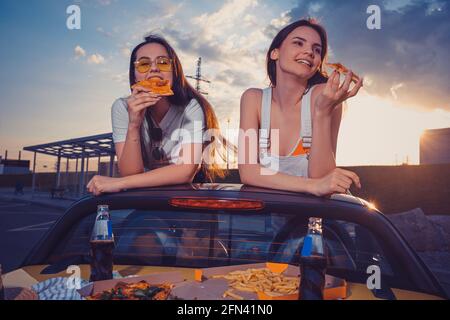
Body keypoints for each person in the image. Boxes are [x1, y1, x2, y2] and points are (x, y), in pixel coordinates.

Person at [87, 35, 229, 196]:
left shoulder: (192, 107)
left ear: (174, 72)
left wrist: (118, 183)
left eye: (162, 62)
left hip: (189, 196)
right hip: (147, 198)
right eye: (144, 64)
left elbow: (185, 171)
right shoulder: (122, 107)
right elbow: (131, 173)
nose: (154, 68)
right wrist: (133, 125)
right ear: (134, 76)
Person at [238, 18, 363, 196]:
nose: (309, 52)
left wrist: (322, 113)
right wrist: (311, 186)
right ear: (275, 53)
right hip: (270, 219)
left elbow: (324, 180)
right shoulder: (253, 99)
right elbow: (248, 172)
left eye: (316, 49)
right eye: (298, 43)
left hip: (315, 219)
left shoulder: (323, 96)